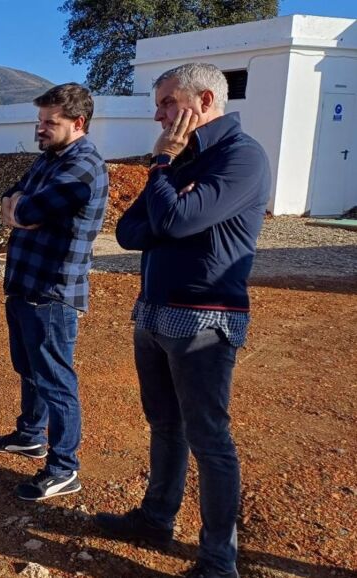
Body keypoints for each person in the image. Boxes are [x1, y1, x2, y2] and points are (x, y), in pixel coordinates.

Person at [96, 63, 270, 578]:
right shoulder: (185, 160)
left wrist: (162, 167)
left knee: (209, 438)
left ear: (206, 101)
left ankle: (218, 561)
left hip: (203, 319)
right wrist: (170, 195)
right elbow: (128, 232)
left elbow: (173, 220)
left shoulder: (241, 157)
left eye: (168, 103)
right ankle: (156, 519)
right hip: (153, 311)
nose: (159, 115)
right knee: (164, 424)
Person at [0, 83, 108, 501]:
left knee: (55, 380)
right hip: (25, 285)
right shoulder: (48, 160)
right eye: (39, 120)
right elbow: (8, 198)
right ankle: (30, 435)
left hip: (52, 293)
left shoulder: (84, 166)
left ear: (78, 122)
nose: (40, 128)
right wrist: (19, 208)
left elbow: (26, 208)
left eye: (50, 122)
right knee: (29, 368)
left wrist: (21, 208)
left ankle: (63, 467)